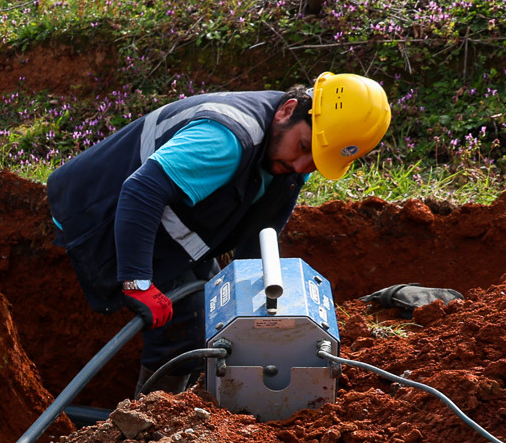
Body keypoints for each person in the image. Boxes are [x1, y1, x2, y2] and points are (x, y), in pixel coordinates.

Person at [46, 74, 391, 390]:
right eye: (303, 149)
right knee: (184, 330)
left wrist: (263, 308)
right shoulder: (226, 139)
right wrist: (137, 281)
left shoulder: (288, 147)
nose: (301, 168)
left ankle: (185, 408)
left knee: (215, 316)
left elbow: (262, 228)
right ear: (288, 111)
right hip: (97, 211)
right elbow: (141, 192)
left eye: (316, 162)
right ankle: (142, 433)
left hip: (164, 221)